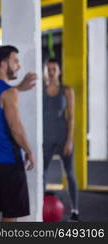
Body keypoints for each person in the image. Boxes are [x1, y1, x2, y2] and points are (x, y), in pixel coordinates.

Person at [0, 45, 36, 222]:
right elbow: (15, 127)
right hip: (8, 161)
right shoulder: (9, 92)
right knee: (10, 215)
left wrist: (18, 88)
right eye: (15, 61)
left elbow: (0, 97)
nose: (18, 66)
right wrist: (29, 151)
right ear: (3, 64)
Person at [43, 58, 79, 221]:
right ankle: (41, 207)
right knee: (41, 174)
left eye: (54, 69)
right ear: (45, 71)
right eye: (48, 69)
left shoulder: (67, 91)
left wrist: (69, 140)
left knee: (70, 174)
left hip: (63, 136)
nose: (51, 72)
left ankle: (75, 210)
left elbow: (71, 117)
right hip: (46, 138)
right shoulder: (40, 90)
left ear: (59, 71)